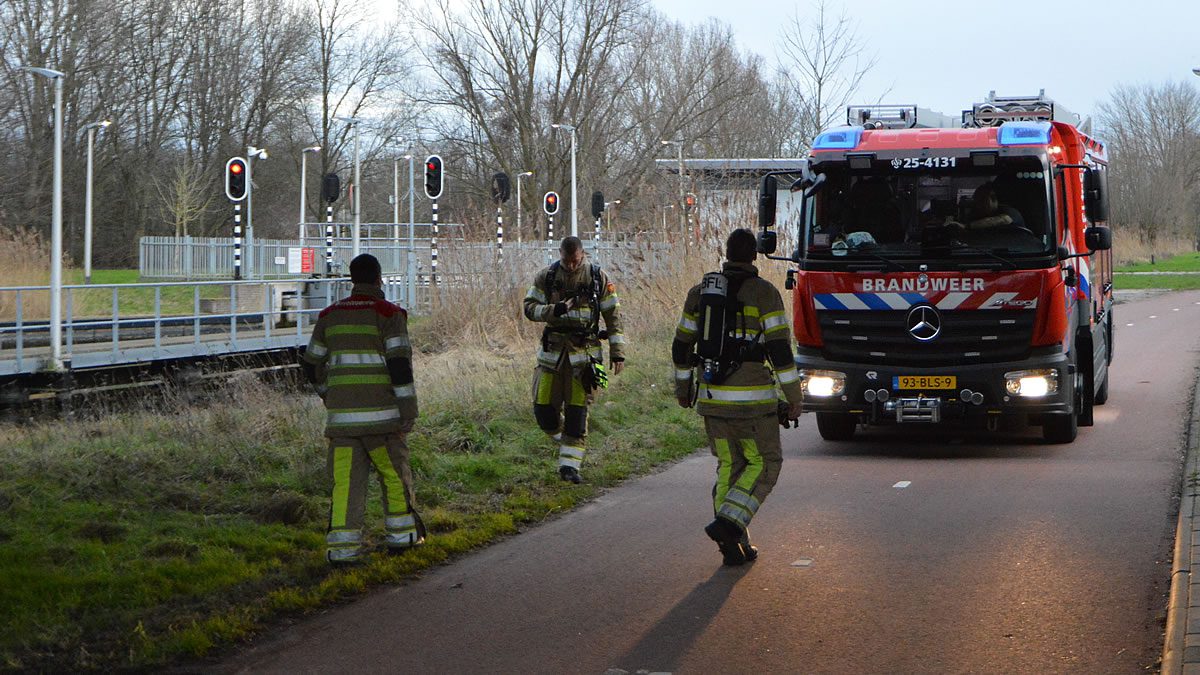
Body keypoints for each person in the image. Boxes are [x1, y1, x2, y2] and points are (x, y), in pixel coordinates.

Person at [672, 228, 804, 566]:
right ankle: (730, 525)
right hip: (753, 404)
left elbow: (682, 346)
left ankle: (733, 544)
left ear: (727, 253)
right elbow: (778, 350)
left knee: (729, 465)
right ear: (754, 256)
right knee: (764, 463)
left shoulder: (699, 293)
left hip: (714, 398)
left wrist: (683, 389)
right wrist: (794, 396)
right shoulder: (765, 293)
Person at [300, 254, 423, 566]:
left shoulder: (330, 315)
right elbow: (399, 367)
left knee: (345, 487)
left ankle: (342, 550)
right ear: (379, 278)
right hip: (383, 424)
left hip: (343, 426)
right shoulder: (389, 314)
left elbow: (311, 363)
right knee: (394, 478)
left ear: (352, 279)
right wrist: (408, 411)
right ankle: (403, 539)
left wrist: (329, 396)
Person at [523, 236, 626, 484]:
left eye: (575, 260)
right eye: (566, 261)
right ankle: (563, 440)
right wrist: (552, 310)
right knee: (543, 409)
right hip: (551, 356)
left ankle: (570, 468)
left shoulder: (598, 277)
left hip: (589, 358)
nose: (570, 265)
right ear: (559, 254)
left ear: (583, 255)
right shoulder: (545, 276)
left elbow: (614, 316)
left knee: (578, 414)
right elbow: (528, 308)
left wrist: (617, 351)